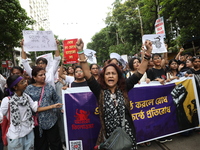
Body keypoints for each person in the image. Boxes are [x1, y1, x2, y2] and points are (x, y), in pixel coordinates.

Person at [76, 38, 152, 150]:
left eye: (113, 73)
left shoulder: (124, 87)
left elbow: (140, 72)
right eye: (107, 74)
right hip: (110, 139)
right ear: (103, 77)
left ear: (118, 76)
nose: (110, 76)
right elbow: (87, 73)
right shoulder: (99, 90)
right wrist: (81, 52)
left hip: (127, 136)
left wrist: (148, 53)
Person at [24, 66, 63, 150]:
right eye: (40, 75)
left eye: (44, 74)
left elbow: (56, 99)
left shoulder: (49, 87)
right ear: (34, 77)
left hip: (51, 119)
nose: (43, 76)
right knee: (41, 144)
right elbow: (27, 105)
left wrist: (60, 107)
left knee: (55, 143)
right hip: (37, 122)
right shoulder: (29, 89)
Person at [0, 75, 38, 150]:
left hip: (29, 132)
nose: (25, 83)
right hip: (15, 135)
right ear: (15, 87)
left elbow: (35, 108)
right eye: (22, 82)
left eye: (24, 81)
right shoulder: (7, 100)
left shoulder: (26, 97)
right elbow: (1, 115)